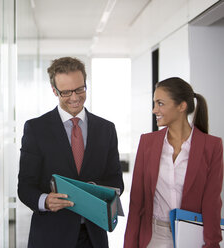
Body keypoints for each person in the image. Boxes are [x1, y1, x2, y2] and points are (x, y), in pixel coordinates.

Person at [17, 56, 124, 248]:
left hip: (93, 236)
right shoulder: (36, 129)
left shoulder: (106, 129)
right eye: (66, 92)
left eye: (79, 89)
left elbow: (117, 182)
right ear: (54, 91)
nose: (74, 98)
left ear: (85, 84)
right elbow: (25, 186)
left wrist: (95, 191)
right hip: (51, 235)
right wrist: (45, 201)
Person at [124, 77, 223, 248]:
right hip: (154, 237)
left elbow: (212, 203)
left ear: (181, 106)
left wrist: (212, 244)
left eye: (160, 103)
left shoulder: (212, 146)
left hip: (192, 237)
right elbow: (136, 203)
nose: (155, 110)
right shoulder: (147, 143)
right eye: (154, 103)